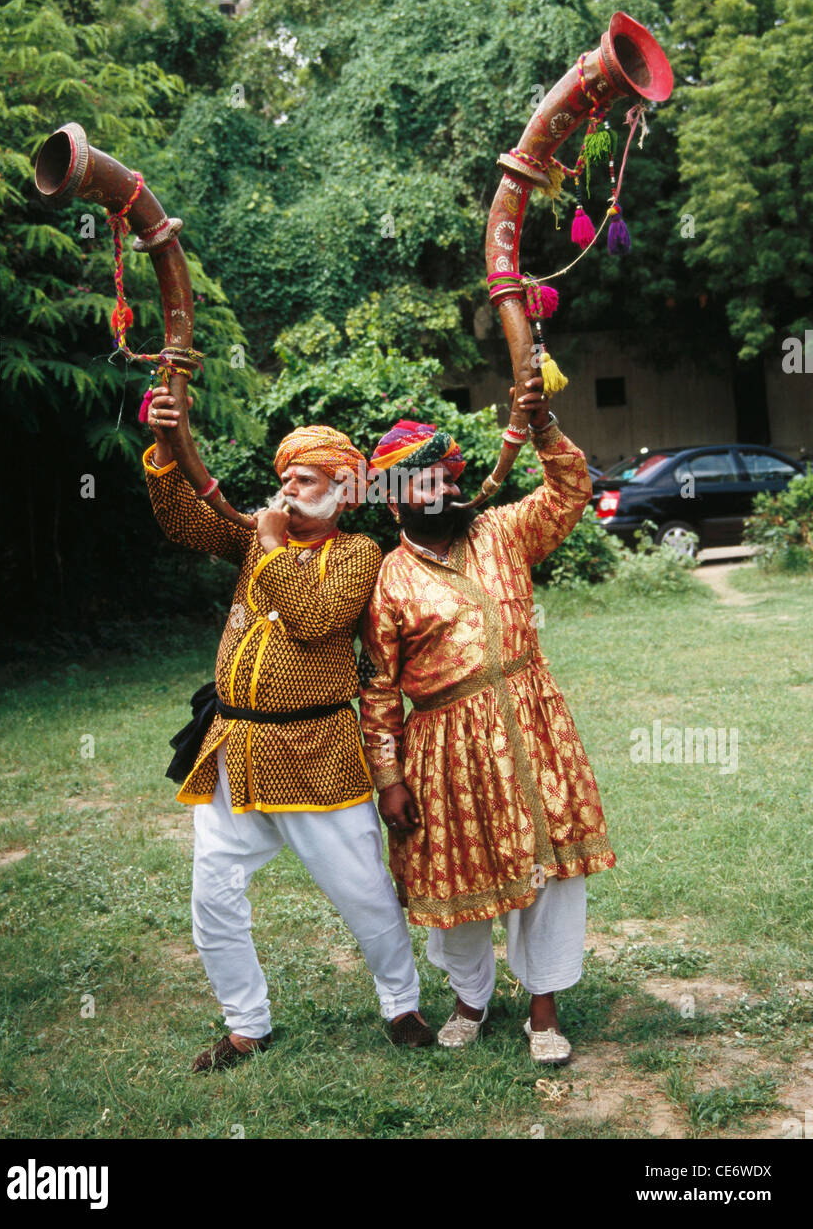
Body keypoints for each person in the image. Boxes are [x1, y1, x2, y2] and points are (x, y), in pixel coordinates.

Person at [144, 385, 434, 1071]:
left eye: (303, 479)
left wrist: (271, 546)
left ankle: (402, 1005)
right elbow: (184, 522)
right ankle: (247, 1023)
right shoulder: (255, 537)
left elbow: (313, 618)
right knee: (212, 895)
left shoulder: (358, 553)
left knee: (362, 892)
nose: (287, 490)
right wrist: (164, 446)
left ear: (343, 489)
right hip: (233, 748)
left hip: (317, 753)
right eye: (283, 479)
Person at [358, 377, 615, 1064]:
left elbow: (569, 492)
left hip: (533, 725)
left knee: (550, 870)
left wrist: (544, 425)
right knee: (456, 875)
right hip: (444, 744)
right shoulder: (388, 580)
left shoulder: (502, 531)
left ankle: (544, 1011)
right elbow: (378, 689)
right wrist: (388, 778)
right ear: (392, 499)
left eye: (445, 477)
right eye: (422, 483)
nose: (439, 490)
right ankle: (469, 998)